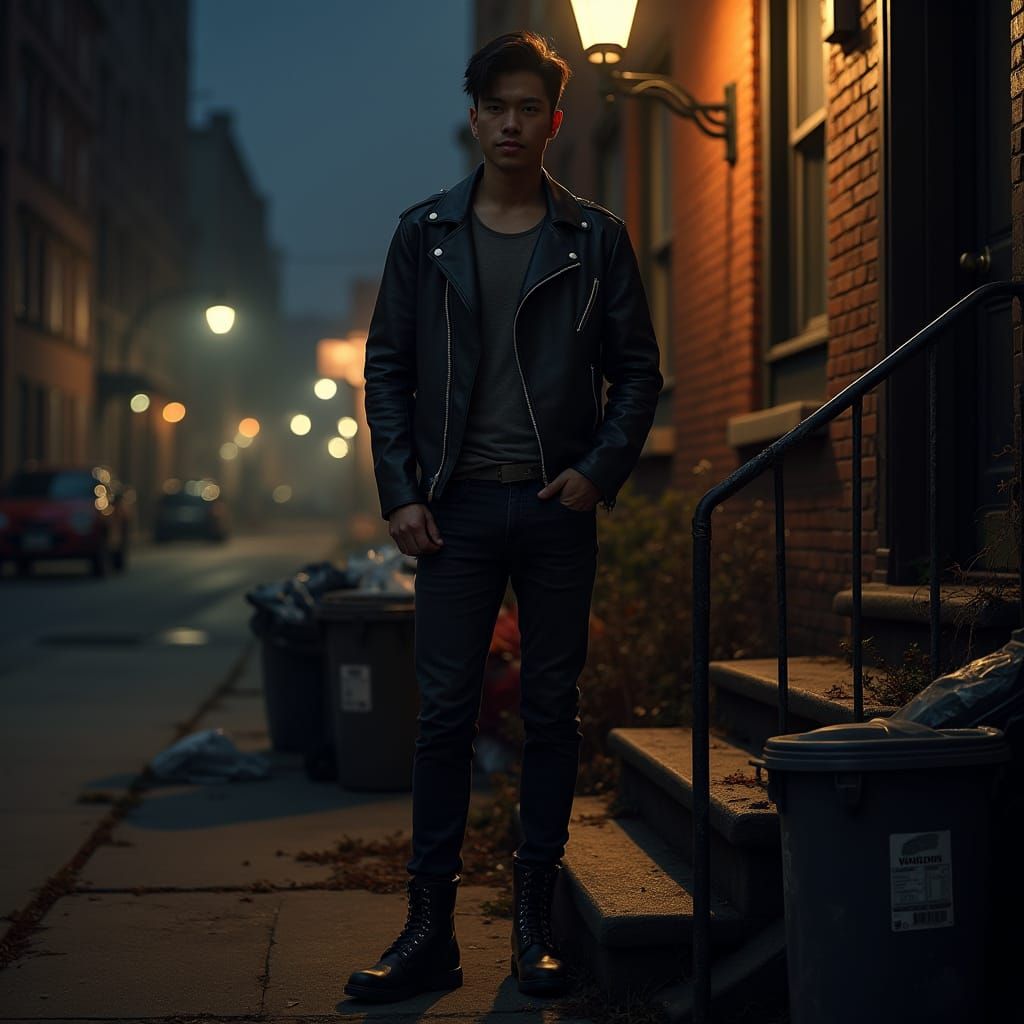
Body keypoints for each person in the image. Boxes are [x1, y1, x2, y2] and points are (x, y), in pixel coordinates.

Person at [345, 30, 662, 1003]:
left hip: (555, 503)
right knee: (440, 715)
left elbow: (639, 374)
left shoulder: (595, 237)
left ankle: (533, 925)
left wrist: (598, 472)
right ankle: (429, 929)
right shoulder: (424, 234)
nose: (514, 123)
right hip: (454, 513)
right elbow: (388, 371)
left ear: (553, 121)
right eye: (498, 108)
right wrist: (397, 487)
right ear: (474, 118)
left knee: (548, 713)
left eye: (531, 108)